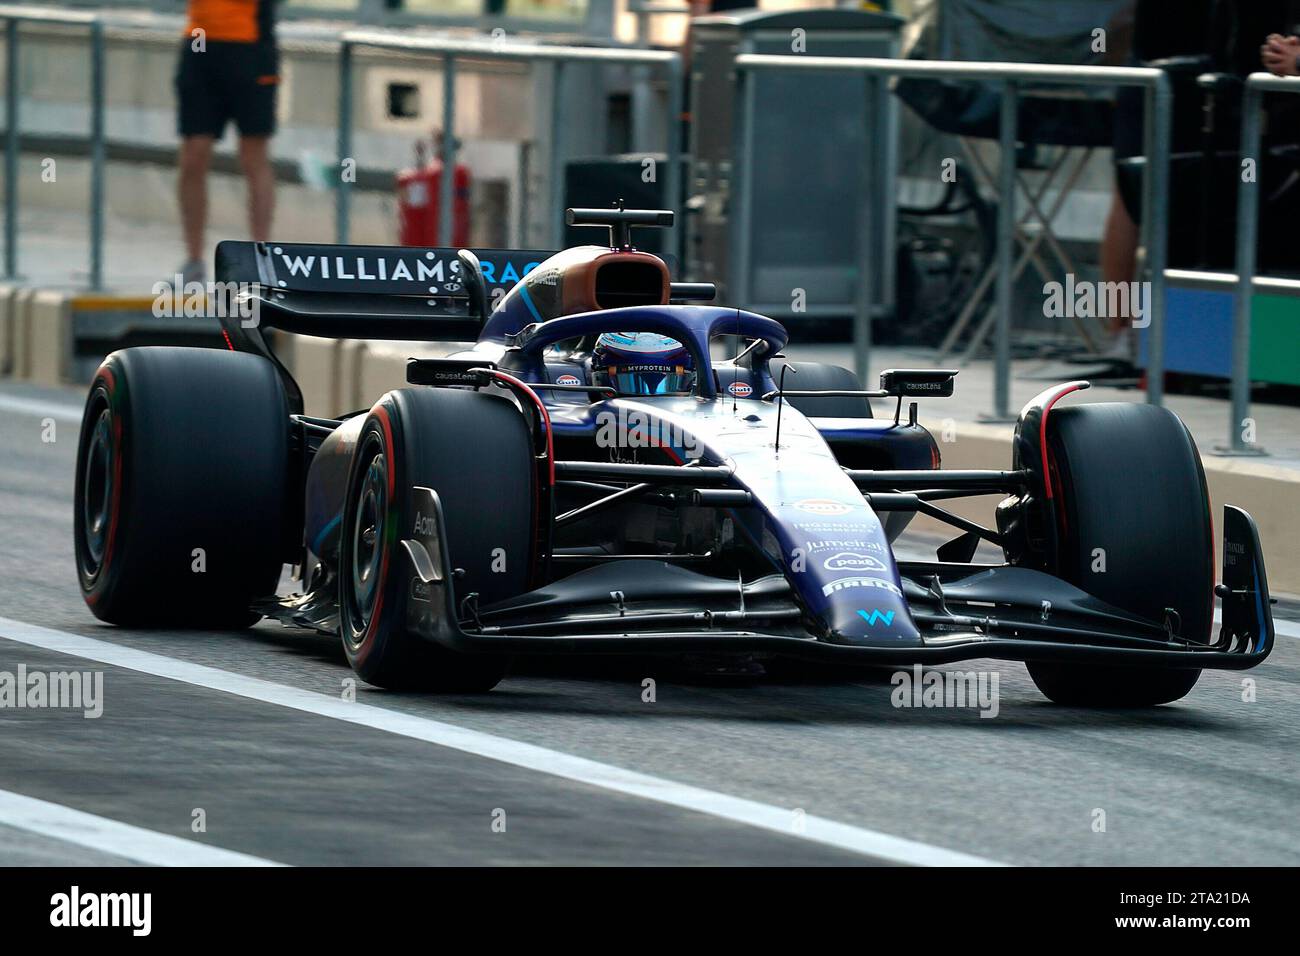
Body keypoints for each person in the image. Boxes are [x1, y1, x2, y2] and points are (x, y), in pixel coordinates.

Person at [173, 0, 279, 283]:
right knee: (193, 155)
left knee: (252, 156)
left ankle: (261, 258)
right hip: (200, 43)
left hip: (250, 45)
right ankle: (194, 260)